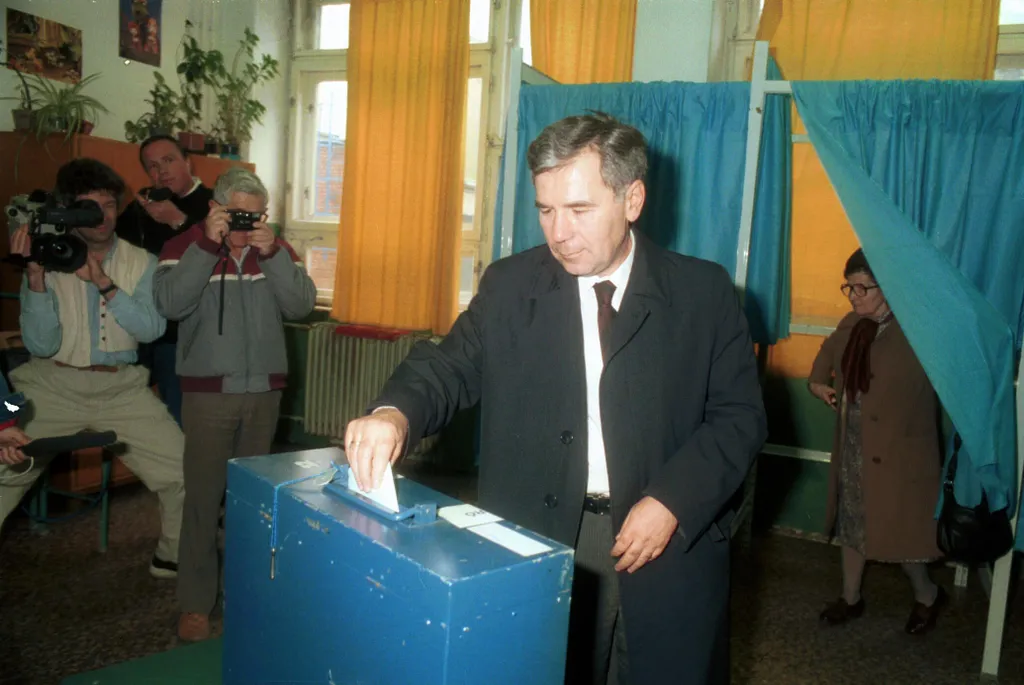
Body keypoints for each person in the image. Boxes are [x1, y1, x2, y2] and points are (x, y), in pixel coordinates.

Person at [343, 112, 767, 685]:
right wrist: (393, 413)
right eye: (545, 210)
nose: (558, 233)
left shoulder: (703, 291)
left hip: (668, 538)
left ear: (632, 199)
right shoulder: (512, 285)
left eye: (579, 209)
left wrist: (672, 500)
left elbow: (738, 418)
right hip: (540, 533)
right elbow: (447, 366)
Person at [153, 167, 317, 643]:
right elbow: (169, 303)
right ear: (216, 208)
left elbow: (301, 305)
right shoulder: (184, 247)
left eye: (255, 213)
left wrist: (272, 255)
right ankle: (196, 604)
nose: (246, 222)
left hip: (264, 394)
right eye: (237, 212)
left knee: (254, 506)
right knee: (203, 502)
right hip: (209, 396)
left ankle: (248, 596)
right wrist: (207, 244)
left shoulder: (276, 250)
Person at [2, 158, 186, 579]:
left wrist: (104, 282)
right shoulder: (45, 256)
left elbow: (152, 328)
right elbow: (40, 344)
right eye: (89, 205)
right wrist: (33, 275)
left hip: (122, 388)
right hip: (47, 383)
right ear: (67, 210)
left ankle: (172, 555)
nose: (101, 215)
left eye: (108, 203)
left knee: (182, 472)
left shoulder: (143, 262)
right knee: (0, 466)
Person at [808, 248, 946, 635]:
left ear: (888, 288)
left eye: (862, 288)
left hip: (901, 455)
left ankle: (928, 595)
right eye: (848, 287)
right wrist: (819, 383)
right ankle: (850, 598)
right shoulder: (853, 324)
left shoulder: (917, 330)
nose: (853, 296)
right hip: (855, 448)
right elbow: (826, 356)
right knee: (852, 525)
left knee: (903, 537)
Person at [116, 135, 215, 426]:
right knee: (136, 420)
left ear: (188, 161)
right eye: (153, 166)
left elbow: (217, 262)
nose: (162, 172)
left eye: (169, 160)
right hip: (144, 329)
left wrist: (177, 222)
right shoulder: (143, 208)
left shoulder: (213, 204)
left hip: (190, 336)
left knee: (184, 422)